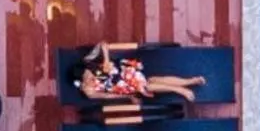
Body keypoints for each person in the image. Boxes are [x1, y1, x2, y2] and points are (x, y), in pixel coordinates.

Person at [75, 42, 207, 103]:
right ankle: (189, 82)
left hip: (125, 71)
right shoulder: (89, 92)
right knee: (151, 81)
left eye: (88, 73)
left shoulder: (88, 62)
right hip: (124, 87)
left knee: (145, 84)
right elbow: (108, 97)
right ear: (81, 81)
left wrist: (106, 59)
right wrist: (128, 97)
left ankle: (181, 89)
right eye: (86, 77)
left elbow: (103, 44)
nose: (90, 76)